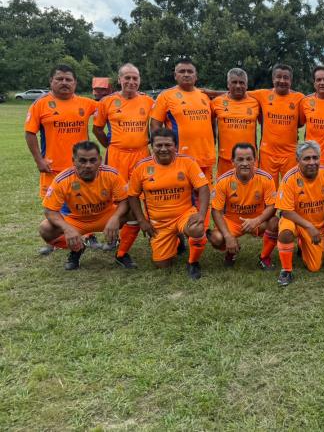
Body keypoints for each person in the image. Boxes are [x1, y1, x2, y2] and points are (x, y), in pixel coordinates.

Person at [25, 64, 98, 254]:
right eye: (60, 79)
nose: (64, 83)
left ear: (75, 83)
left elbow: (108, 112)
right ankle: (53, 241)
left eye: (68, 79)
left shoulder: (86, 103)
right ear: (51, 81)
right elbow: (30, 133)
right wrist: (39, 161)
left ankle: (89, 236)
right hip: (53, 168)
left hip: (82, 168)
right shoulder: (40, 104)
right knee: (53, 208)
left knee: (84, 204)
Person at [127, 128, 210, 279]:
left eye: (168, 145)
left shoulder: (187, 162)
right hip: (159, 222)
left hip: (183, 215)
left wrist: (201, 214)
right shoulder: (142, 166)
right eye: (159, 145)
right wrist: (142, 221)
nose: (163, 149)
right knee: (162, 265)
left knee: (197, 229)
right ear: (152, 146)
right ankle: (177, 238)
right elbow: (132, 195)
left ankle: (193, 262)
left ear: (175, 146)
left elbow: (203, 188)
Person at [92, 63, 154, 264]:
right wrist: (110, 146)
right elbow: (98, 129)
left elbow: (157, 125)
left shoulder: (148, 101)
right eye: (127, 77)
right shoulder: (107, 102)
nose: (131, 82)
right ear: (119, 79)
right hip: (117, 156)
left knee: (146, 196)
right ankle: (113, 237)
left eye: (135, 78)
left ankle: (162, 234)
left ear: (140, 81)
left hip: (142, 155)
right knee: (119, 199)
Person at [38, 141, 133, 270]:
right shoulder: (63, 179)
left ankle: (122, 253)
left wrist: (115, 218)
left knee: (134, 213)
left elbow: (125, 200)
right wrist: (67, 228)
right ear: (73, 160)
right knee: (45, 229)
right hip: (77, 220)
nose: (88, 165)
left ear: (99, 160)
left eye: (92, 160)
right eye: (82, 161)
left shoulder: (111, 174)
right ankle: (77, 248)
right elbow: (49, 211)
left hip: (106, 217)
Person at [275, 141, 324, 286]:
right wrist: (309, 226)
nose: (312, 162)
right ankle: (286, 270)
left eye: (315, 158)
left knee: (314, 268)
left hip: (317, 228)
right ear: (297, 160)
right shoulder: (289, 178)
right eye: (307, 158)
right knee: (285, 231)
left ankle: (302, 245)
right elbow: (286, 211)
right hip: (296, 222)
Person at [208, 142, 279, 269]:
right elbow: (216, 211)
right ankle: (231, 250)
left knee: (275, 223)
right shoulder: (223, 181)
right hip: (233, 222)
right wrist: (228, 236)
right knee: (216, 238)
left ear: (255, 161)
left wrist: (256, 220)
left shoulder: (266, 178)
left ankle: (264, 257)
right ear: (232, 162)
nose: (245, 163)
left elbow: (272, 206)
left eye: (249, 159)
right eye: (240, 159)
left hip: (258, 221)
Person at [149, 58, 215, 180]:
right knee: (183, 197)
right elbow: (155, 126)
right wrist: (161, 150)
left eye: (190, 71)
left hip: (205, 158)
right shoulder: (166, 96)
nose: (186, 74)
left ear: (196, 76)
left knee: (205, 196)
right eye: (182, 71)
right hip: (179, 158)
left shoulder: (205, 96)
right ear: (175, 75)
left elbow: (211, 124)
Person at [253, 64, 306, 185]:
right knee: (268, 188)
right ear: (273, 79)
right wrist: (211, 93)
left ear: (291, 80)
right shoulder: (262, 95)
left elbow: (302, 121)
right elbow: (238, 92)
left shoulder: (299, 98)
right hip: (268, 154)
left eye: (286, 77)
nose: (282, 81)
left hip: (290, 154)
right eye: (278, 77)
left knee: (292, 187)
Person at [211, 68, 260, 177]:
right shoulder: (217, 102)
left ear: (247, 85)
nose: (238, 86)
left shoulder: (255, 102)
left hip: (249, 159)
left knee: (250, 190)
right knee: (225, 190)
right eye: (234, 82)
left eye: (241, 82)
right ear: (228, 84)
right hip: (225, 160)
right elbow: (209, 122)